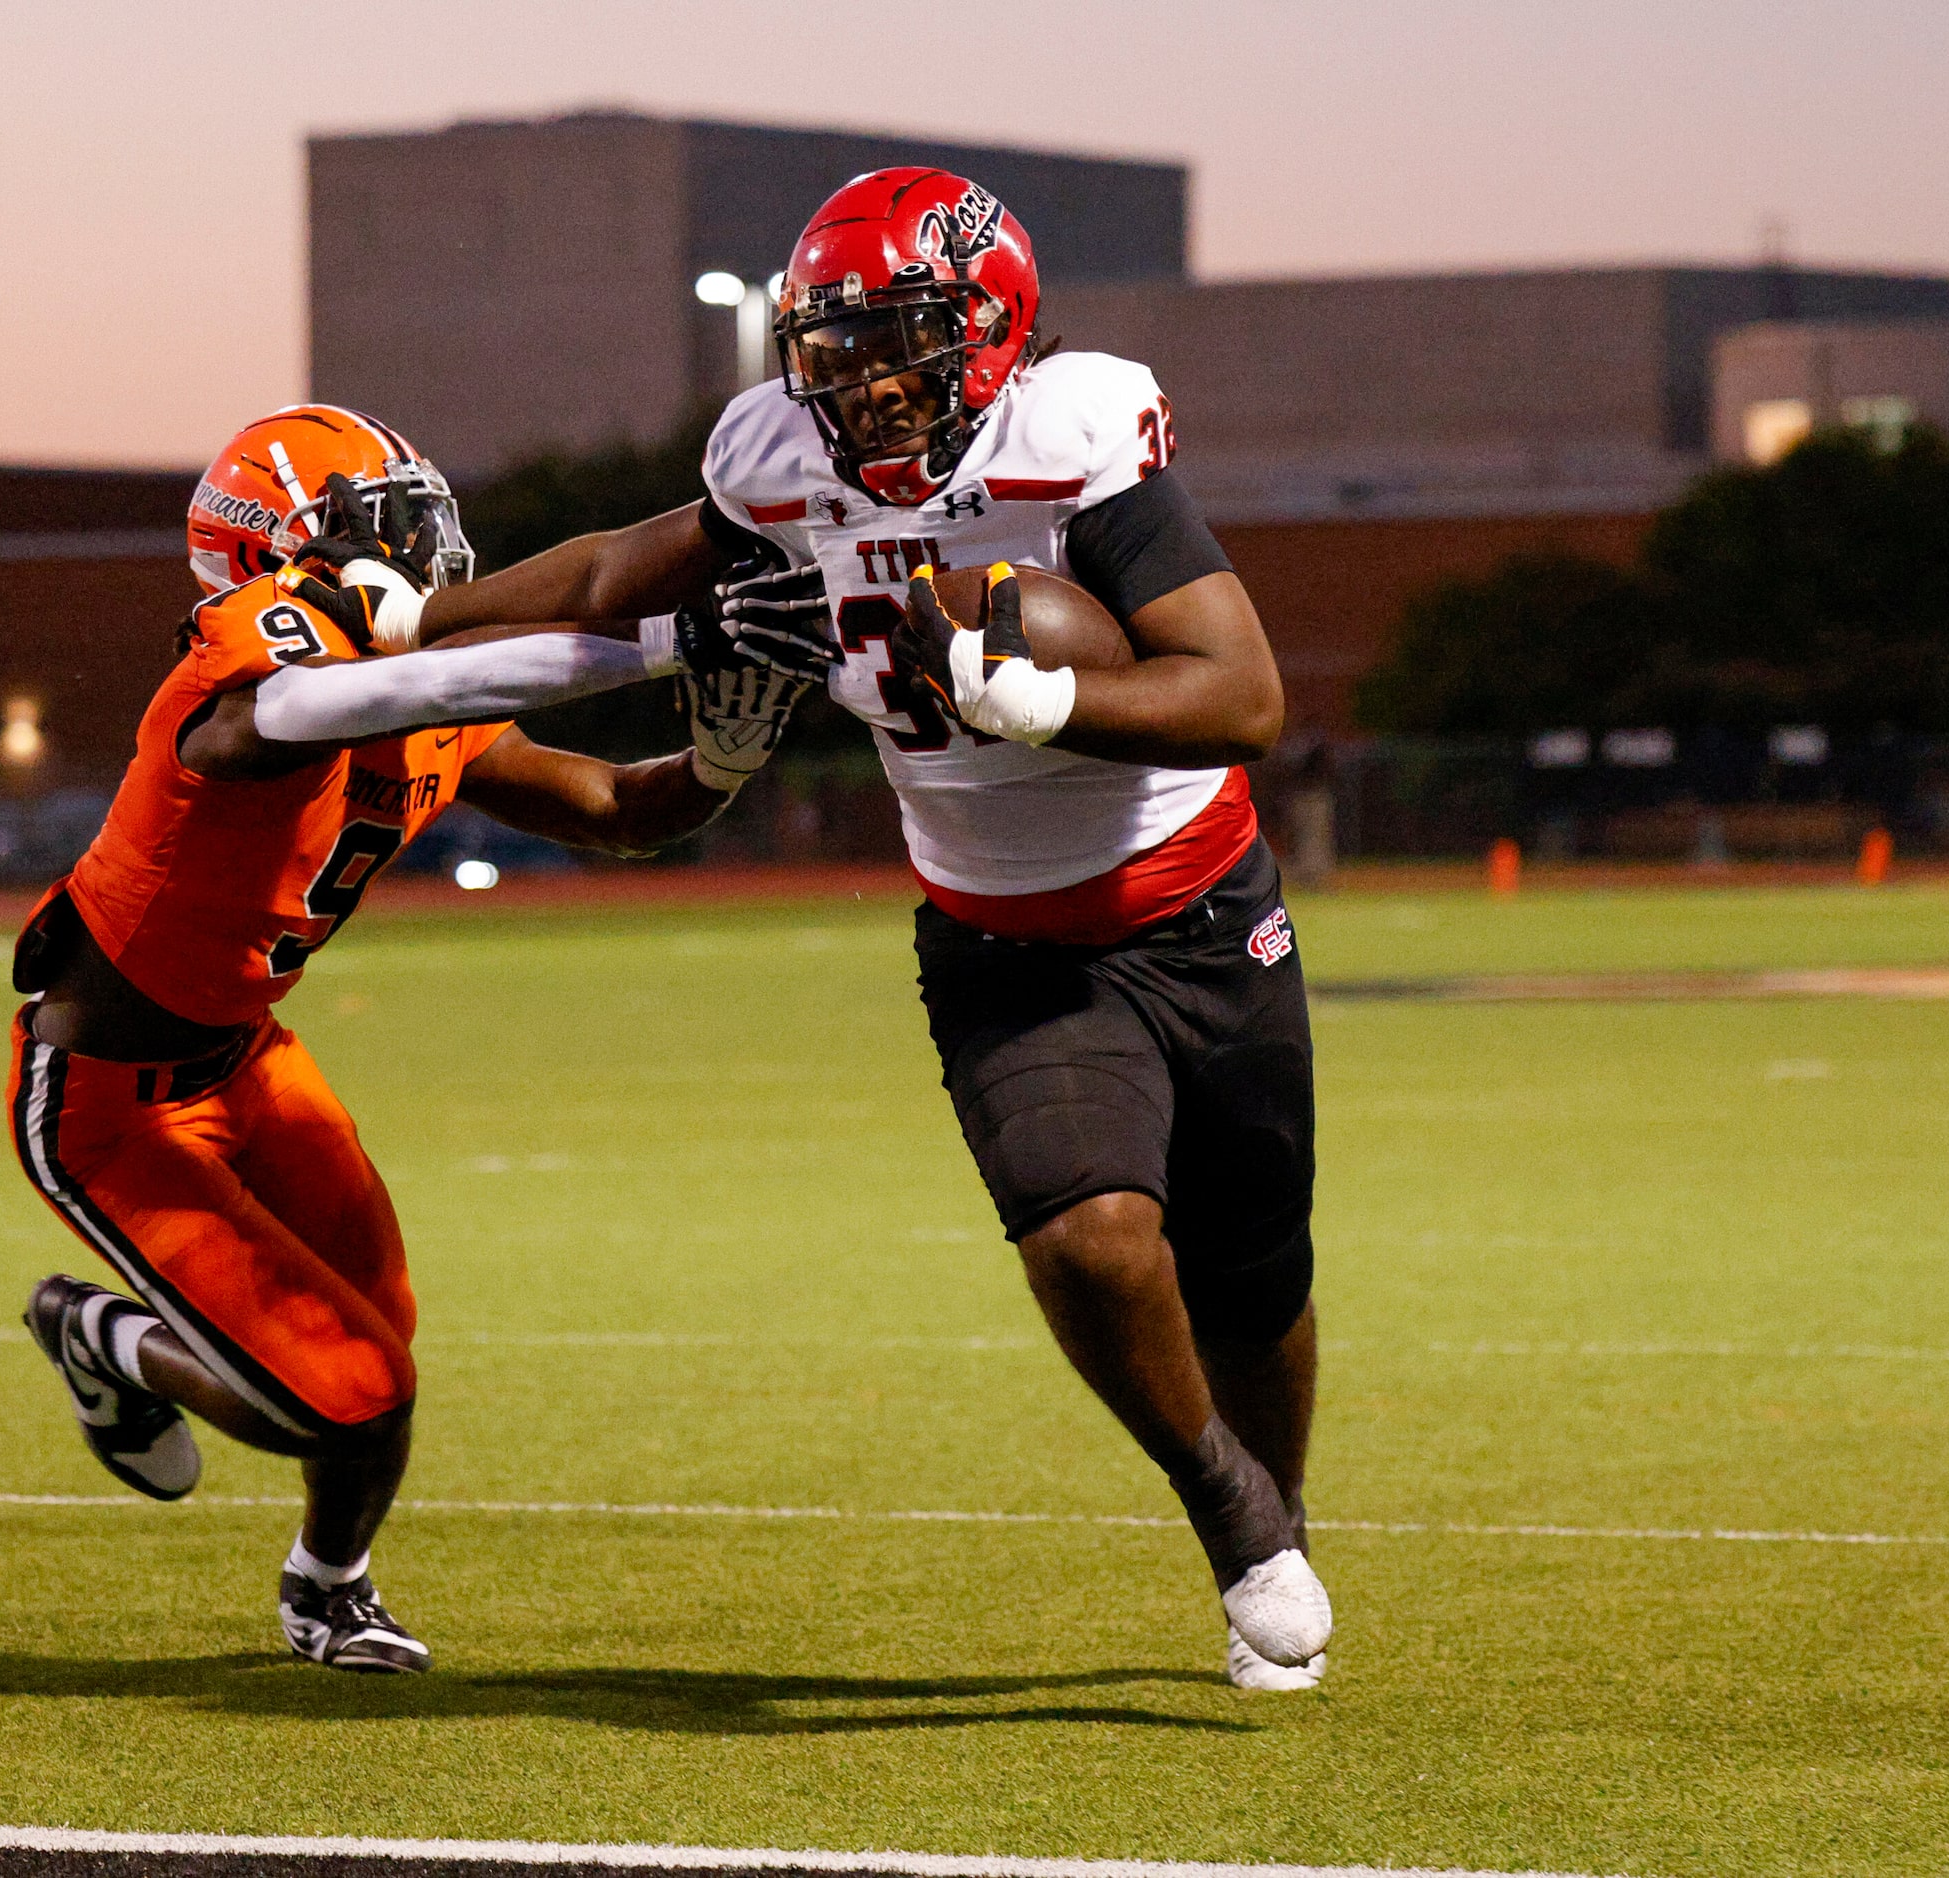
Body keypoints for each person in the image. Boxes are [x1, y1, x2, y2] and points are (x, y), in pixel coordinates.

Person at [399, 171, 1333, 1690]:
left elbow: (1245, 697)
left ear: (987, 328)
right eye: (827, 348)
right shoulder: (779, 466)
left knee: (1253, 1273)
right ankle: (1233, 1519)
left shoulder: (1072, 436)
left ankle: (1283, 1510)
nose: (854, 382)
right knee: (1091, 1243)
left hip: (1198, 907)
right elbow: (602, 574)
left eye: (892, 341)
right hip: (1001, 938)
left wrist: (1043, 697)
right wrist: (416, 621)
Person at [11, 404, 801, 1674]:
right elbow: (329, 706)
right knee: (347, 1396)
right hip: (106, 1100)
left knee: (381, 1321)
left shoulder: (421, 688)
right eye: (385, 523)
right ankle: (102, 1337)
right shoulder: (247, 657)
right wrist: (665, 645)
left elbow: (609, 807)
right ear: (284, 554)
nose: (426, 549)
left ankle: (327, 1586)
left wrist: (723, 756)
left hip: (244, 1053)